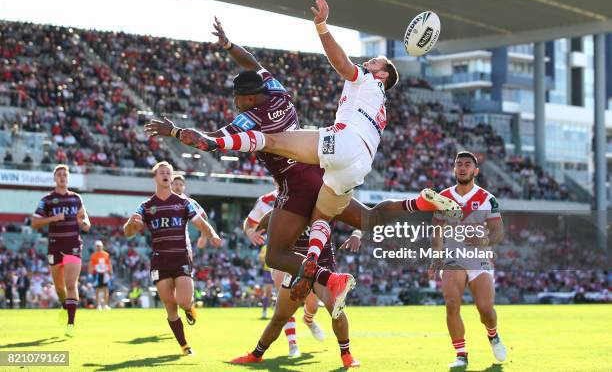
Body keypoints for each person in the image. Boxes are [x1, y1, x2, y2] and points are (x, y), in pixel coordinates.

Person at [144, 16, 461, 318]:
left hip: (304, 177)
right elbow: (254, 65)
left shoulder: (248, 119)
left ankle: (321, 279)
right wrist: (229, 45)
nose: (368, 62)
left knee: (275, 247)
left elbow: (209, 141)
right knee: (366, 218)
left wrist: (173, 131)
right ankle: (417, 204)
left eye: (375, 62)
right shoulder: (282, 93)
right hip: (346, 167)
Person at [234, 196, 363, 367]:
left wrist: (356, 234)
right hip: (297, 268)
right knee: (279, 317)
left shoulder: (329, 201)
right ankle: (256, 354)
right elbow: (263, 222)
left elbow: (362, 219)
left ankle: (346, 354)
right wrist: (256, 231)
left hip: (323, 268)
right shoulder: (290, 205)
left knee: (335, 310)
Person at [123, 161, 222, 356]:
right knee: (169, 304)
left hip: (181, 257)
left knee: (184, 301)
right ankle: (185, 346)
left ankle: (189, 308)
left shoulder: (183, 202)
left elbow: (201, 223)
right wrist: (130, 224)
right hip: (159, 260)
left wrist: (212, 235)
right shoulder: (146, 206)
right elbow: (129, 233)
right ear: (155, 178)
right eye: (162, 173)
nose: (165, 175)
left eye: (168, 172)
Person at [429, 151, 507, 367]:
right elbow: (437, 232)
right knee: (451, 304)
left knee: (485, 309)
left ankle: (493, 335)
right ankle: (461, 354)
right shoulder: (442, 197)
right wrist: (435, 258)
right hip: (453, 259)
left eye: (467, 165)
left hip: (479, 259)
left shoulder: (487, 199)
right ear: (454, 169)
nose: (463, 168)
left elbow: (498, 234)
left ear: (475, 171)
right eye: (459, 164)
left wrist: (482, 242)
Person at [243, 189, 325, 357]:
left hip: (303, 254)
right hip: (280, 255)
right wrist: (250, 232)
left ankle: (308, 319)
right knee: (286, 300)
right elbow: (249, 222)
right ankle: (292, 343)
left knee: (313, 304)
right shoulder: (266, 200)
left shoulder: (306, 194)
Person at [31, 164, 91, 337]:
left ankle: (70, 324)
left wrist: (85, 223)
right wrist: (53, 218)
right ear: (55, 178)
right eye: (59, 174)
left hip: (73, 245)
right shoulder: (47, 199)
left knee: (71, 284)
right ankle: (65, 305)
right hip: (55, 246)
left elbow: (84, 217)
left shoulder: (76, 198)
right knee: (59, 288)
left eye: (65, 174)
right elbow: (35, 222)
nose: (63, 177)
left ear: (68, 178)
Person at [170, 174, 210, 253]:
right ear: (170, 185)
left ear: (184, 187)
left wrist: (203, 236)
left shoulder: (190, 202)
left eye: (181, 184)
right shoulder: (162, 201)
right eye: (175, 184)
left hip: (182, 244)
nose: (178, 187)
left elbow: (204, 216)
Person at [89, 240, 112, 310]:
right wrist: (90, 273)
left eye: (99, 246)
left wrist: (110, 272)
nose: (98, 247)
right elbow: (91, 265)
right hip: (97, 274)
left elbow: (109, 264)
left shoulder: (106, 254)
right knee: (97, 290)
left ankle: (105, 305)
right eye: (97, 246)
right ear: (95, 247)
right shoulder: (93, 255)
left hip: (105, 274)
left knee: (106, 290)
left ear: (102, 246)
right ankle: (98, 305)